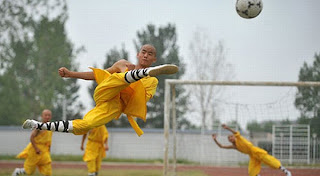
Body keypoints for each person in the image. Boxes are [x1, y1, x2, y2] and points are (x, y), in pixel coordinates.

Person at [22, 44, 178, 136]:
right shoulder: (122, 64)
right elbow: (97, 75)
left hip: (113, 106)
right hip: (106, 91)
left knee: (86, 125)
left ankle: (38, 125)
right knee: (119, 78)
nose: (146, 55)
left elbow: (139, 101)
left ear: (154, 60)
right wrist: (71, 74)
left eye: (150, 54)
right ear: (138, 54)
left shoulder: (153, 81)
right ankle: (135, 75)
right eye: (143, 52)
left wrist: (134, 81)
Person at [212, 124, 292, 176]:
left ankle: (286, 172)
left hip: (256, 151)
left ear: (234, 137)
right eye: (229, 138)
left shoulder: (239, 138)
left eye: (231, 136)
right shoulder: (235, 146)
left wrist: (228, 128)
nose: (230, 138)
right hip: (252, 156)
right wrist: (215, 139)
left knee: (271, 162)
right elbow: (221, 146)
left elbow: (236, 133)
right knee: (252, 172)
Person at [13, 109, 53, 176]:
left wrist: (49, 149)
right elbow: (31, 138)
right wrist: (36, 148)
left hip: (44, 151)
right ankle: (18, 171)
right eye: (45, 115)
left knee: (47, 170)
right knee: (29, 171)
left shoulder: (51, 127)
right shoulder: (39, 126)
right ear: (42, 116)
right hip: (34, 151)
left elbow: (48, 140)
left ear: (51, 116)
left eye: (49, 115)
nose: (47, 117)